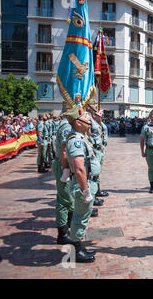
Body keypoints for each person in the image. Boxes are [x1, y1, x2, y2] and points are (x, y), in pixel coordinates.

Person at [64, 104, 101, 263]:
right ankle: (74, 253)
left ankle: (79, 246)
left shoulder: (81, 137)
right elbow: (79, 168)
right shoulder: (76, 141)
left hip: (87, 183)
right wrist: (86, 191)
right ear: (78, 122)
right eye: (86, 117)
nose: (89, 120)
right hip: (82, 185)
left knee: (82, 217)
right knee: (79, 218)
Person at [52, 102, 74, 245]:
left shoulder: (65, 124)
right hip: (63, 165)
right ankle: (63, 233)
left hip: (63, 164)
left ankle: (67, 229)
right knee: (65, 199)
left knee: (66, 198)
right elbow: (65, 150)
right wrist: (67, 169)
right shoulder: (66, 126)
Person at [86, 99, 110, 199]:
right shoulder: (88, 119)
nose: (95, 106)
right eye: (93, 105)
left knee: (97, 171)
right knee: (93, 173)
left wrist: (99, 118)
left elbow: (103, 128)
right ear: (88, 107)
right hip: (94, 149)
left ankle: (97, 191)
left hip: (99, 149)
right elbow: (88, 134)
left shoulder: (94, 120)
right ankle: (93, 194)